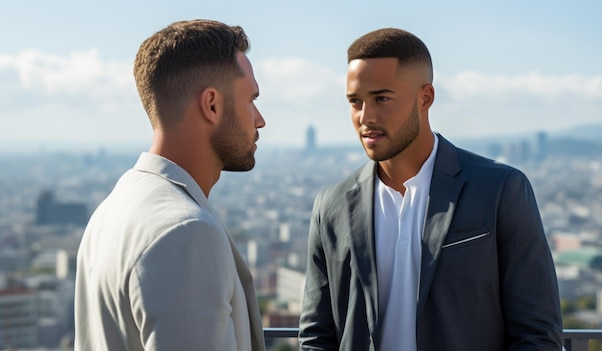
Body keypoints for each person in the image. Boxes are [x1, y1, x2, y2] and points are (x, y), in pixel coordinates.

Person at [298, 28, 563, 350]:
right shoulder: (331, 204)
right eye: (356, 102)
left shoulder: (500, 189)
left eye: (382, 98)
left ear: (425, 97)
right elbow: (316, 335)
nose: (365, 117)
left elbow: (537, 332)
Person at [74, 19, 266, 351]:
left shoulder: (110, 211)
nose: (260, 118)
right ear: (212, 105)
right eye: (251, 99)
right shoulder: (186, 230)